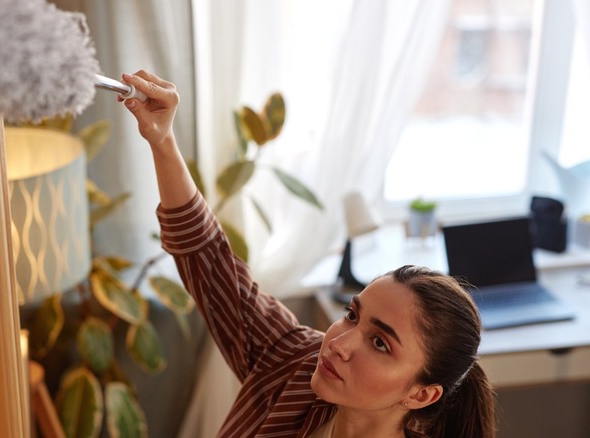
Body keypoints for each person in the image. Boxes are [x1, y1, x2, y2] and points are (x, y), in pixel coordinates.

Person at [118, 70, 496, 438]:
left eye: (380, 343)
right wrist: (163, 139)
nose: (338, 343)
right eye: (352, 316)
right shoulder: (298, 365)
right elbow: (211, 264)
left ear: (420, 394)